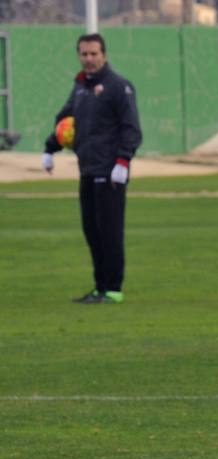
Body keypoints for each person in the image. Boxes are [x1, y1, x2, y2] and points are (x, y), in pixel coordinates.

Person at [43, 33, 142, 304]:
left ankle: (113, 289)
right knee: (92, 231)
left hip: (110, 171)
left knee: (109, 232)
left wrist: (123, 162)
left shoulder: (118, 87)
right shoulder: (80, 87)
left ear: (104, 55)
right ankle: (99, 287)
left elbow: (131, 129)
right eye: (84, 54)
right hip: (87, 168)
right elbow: (65, 120)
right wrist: (50, 148)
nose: (88, 59)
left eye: (93, 54)